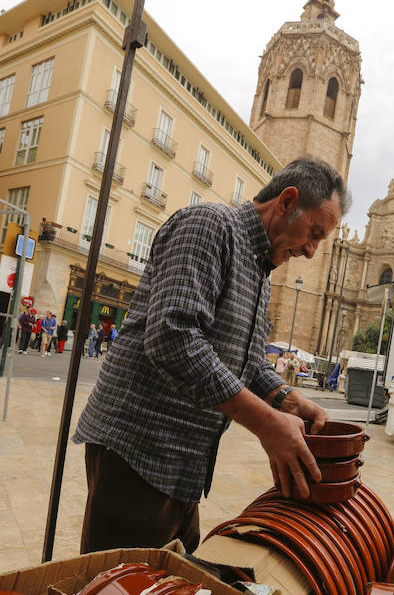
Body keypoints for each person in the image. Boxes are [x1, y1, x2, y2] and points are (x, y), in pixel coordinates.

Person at [73, 156, 349, 554]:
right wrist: (268, 424)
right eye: (314, 233)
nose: (310, 251)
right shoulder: (209, 226)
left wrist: (289, 400)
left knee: (170, 588)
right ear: (287, 202)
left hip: (182, 468)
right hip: (139, 452)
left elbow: (248, 362)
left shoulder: (259, 270)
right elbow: (173, 336)